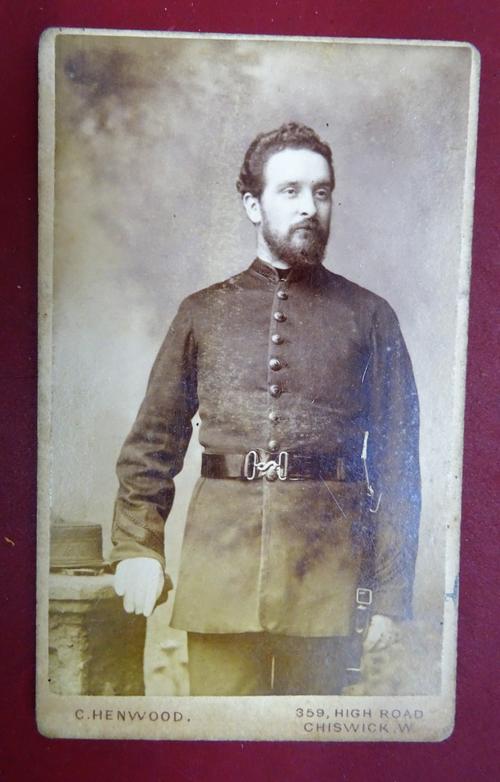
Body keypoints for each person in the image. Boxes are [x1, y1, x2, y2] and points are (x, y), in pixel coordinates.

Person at [111, 122, 421, 696]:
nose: (310, 207)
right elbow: (151, 448)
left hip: (329, 581)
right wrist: (136, 545)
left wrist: (388, 595)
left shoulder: (371, 316)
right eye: (291, 191)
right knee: (221, 751)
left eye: (322, 192)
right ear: (253, 204)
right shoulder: (202, 312)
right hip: (218, 572)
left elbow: (399, 469)